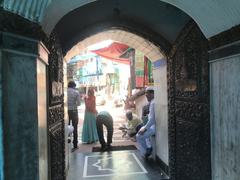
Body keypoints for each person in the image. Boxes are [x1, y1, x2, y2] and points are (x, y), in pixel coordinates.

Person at [136, 86, 155, 159]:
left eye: (147, 95)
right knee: (140, 128)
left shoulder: (153, 103)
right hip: (152, 125)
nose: (146, 97)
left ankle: (147, 151)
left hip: (154, 127)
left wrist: (145, 128)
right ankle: (148, 147)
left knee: (139, 136)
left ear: (152, 94)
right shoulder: (152, 102)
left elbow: (152, 119)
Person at [67, 81, 81, 150]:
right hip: (74, 111)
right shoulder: (76, 92)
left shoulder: (65, 92)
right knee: (75, 127)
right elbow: (79, 103)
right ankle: (75, 144)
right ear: (73, 86)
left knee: (66, 126)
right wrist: (73, 104)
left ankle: (66, 141)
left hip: (66, 112)